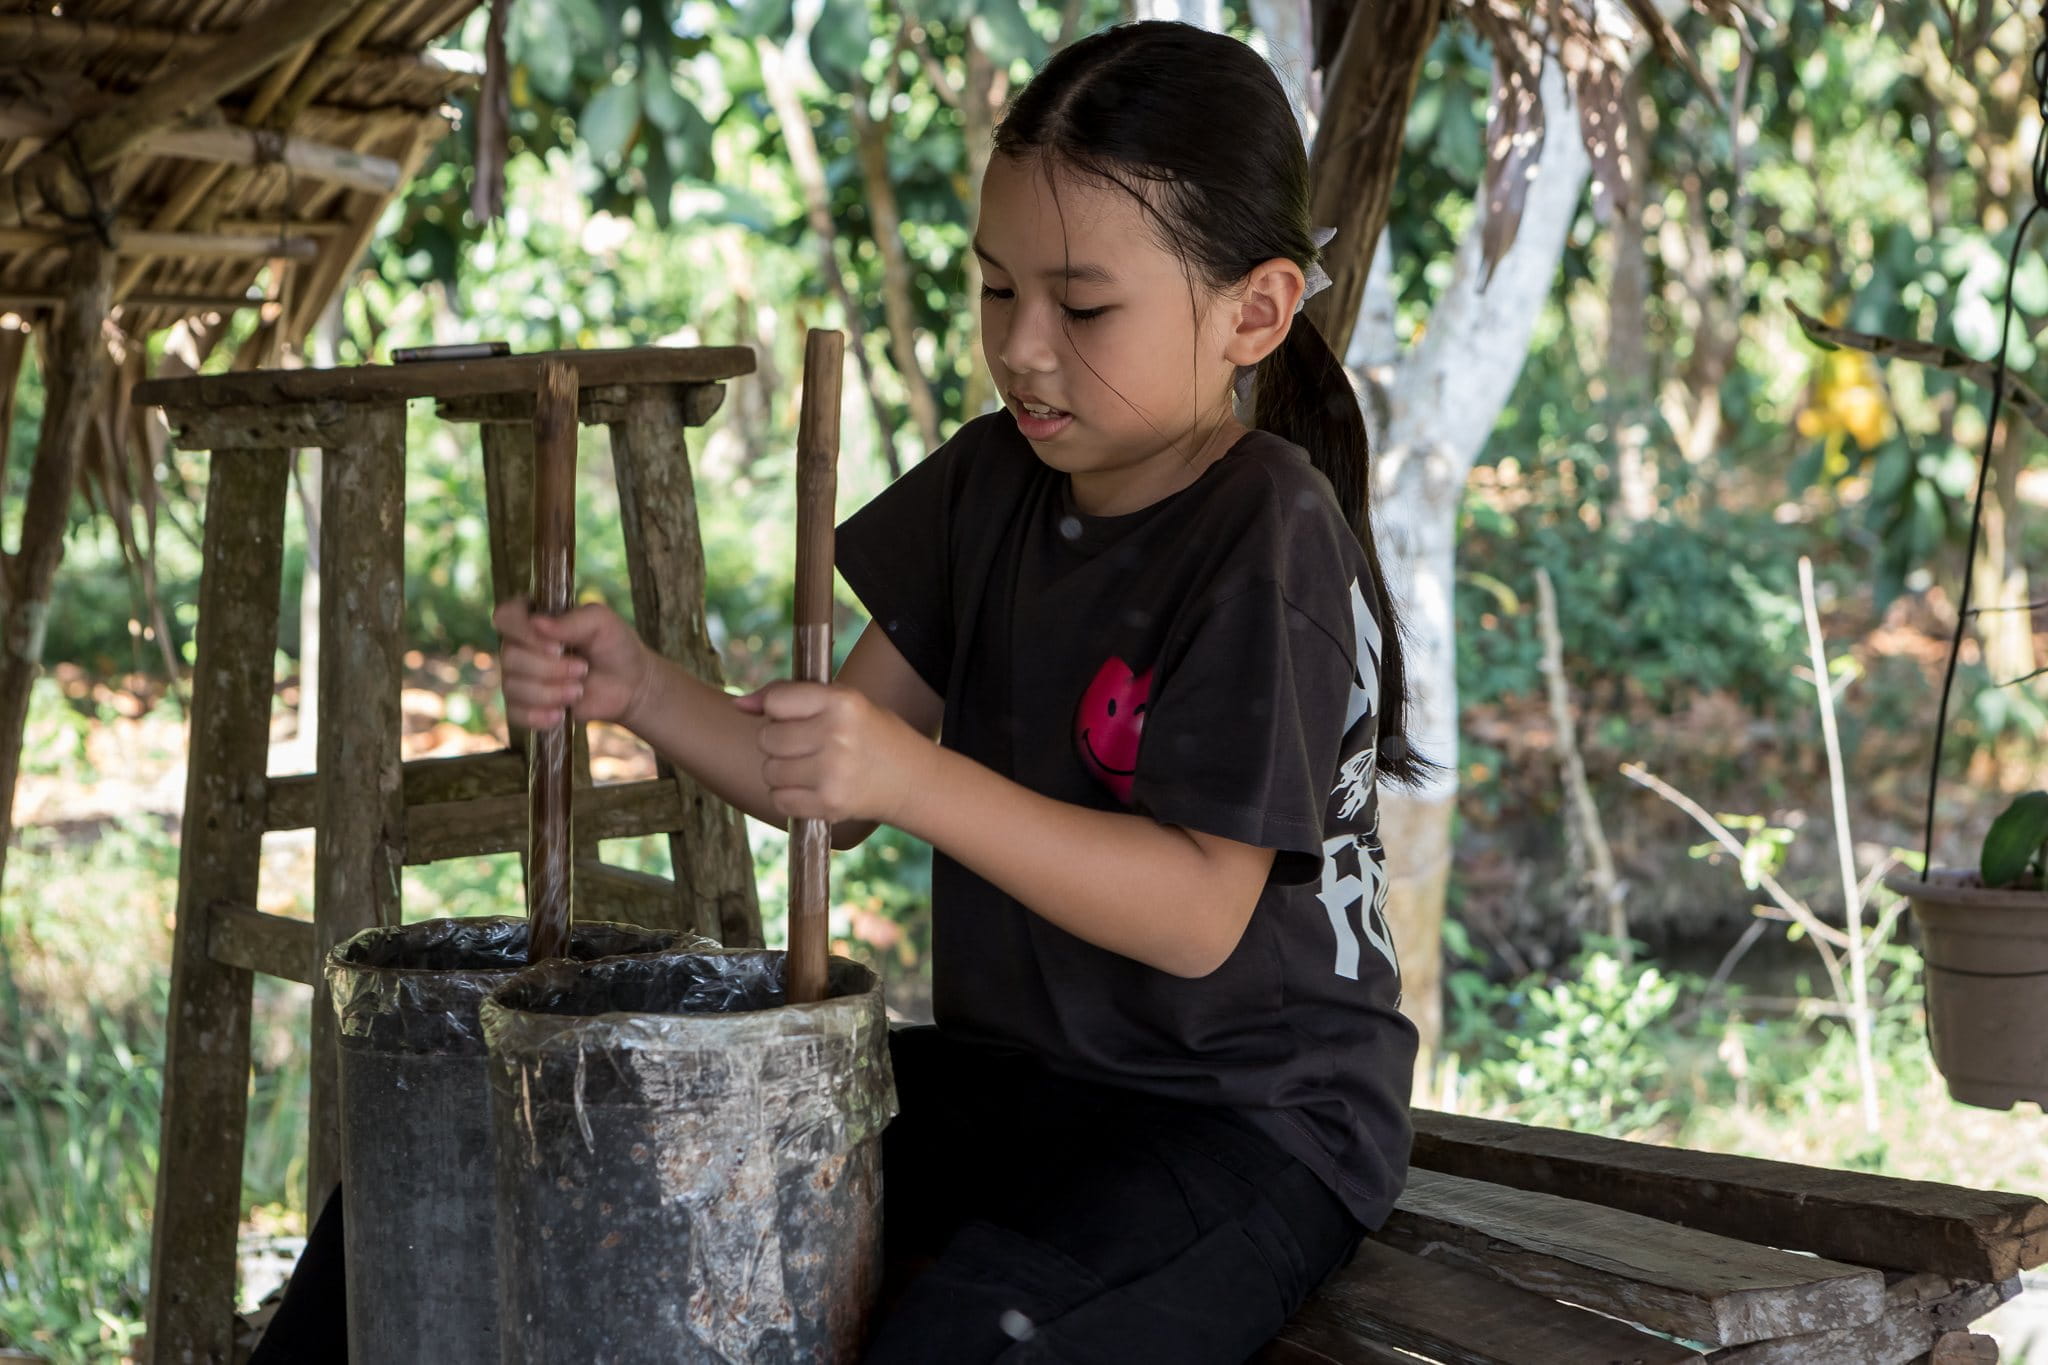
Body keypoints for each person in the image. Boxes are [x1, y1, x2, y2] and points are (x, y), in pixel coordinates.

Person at [498, 19, 1430, 1363]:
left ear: (1256, 310)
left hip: (1249, 1122)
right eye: (997, 292)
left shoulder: (1264, 530)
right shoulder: (990, 484)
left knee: (953, 1340)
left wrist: (915, 776)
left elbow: (1194, 911)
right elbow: (816, 776)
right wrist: (638, 685)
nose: (1024, 348)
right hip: (1026, 1087)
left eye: (1082, 304)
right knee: (606, 1164)